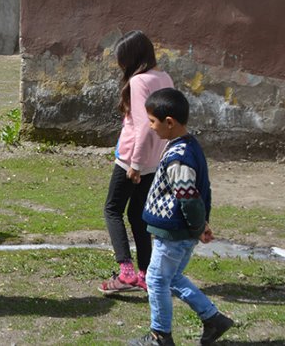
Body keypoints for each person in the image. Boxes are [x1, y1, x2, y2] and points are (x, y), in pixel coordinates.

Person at [129, 88, 234, 346]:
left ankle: (160, 335)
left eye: (152, 122)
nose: (150, 127)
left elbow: (188, 197)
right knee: (171, 277)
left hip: (174, 234)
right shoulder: (186, 145)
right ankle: (213, 319)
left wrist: (199, 226)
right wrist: (200, 225)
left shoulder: (180, 157)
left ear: (169, 123)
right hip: (180, 232)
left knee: (156, 279)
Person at [101, 31, 174, 294]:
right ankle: (144, 274)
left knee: (112, 210)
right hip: (155, 159)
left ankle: (127, 272)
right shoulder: (164, 77)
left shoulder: (139, 81)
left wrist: (134, 163)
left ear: (132, 58)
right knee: (138, 216)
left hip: (133, 159)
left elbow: (143, 125)